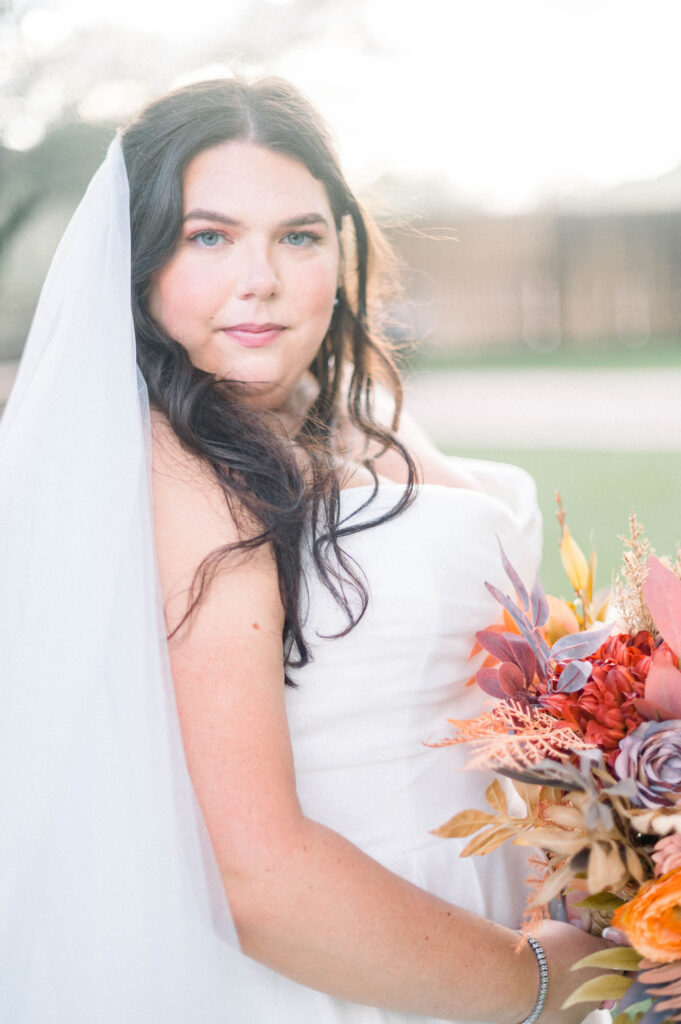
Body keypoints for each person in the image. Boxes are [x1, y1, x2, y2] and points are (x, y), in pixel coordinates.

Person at [0, 77, 609, 1023]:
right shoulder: (179, 472)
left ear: (341, 248)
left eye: (298, 235)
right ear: (139, 259)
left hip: (482, 900)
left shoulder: (347, 416)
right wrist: (536, 983)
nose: (262, 279)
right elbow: (257, 878)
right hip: (353, 971)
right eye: (210, 236)